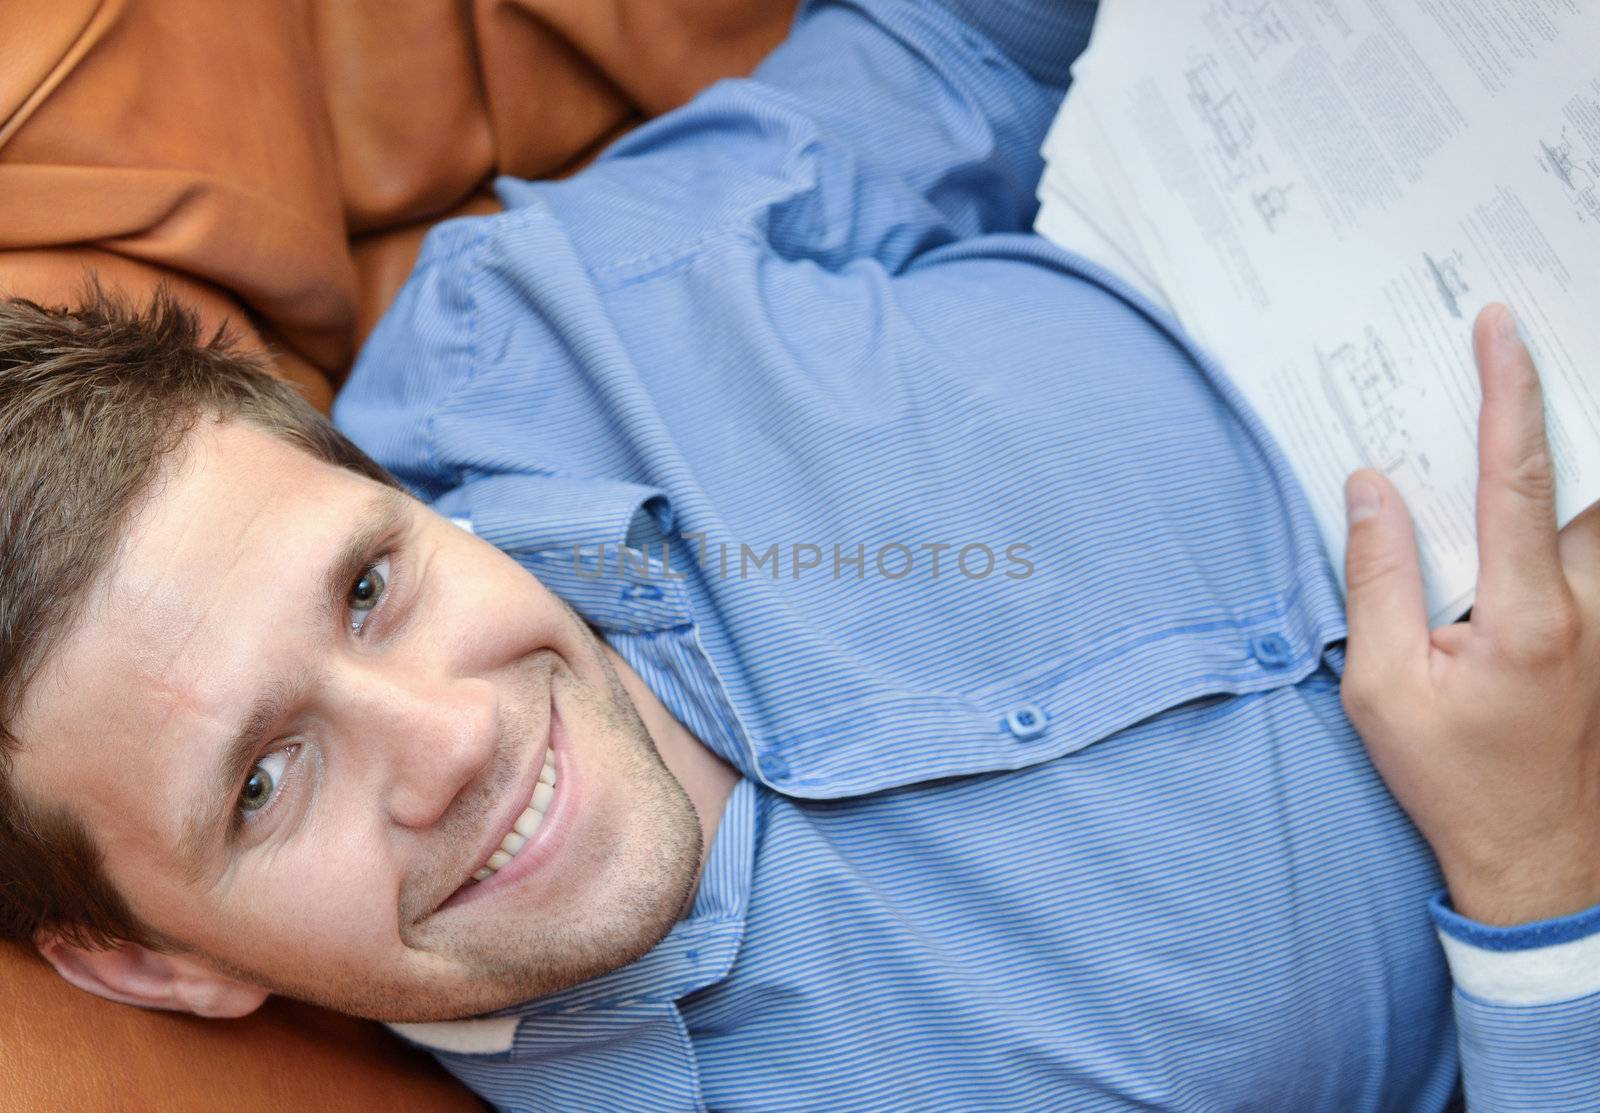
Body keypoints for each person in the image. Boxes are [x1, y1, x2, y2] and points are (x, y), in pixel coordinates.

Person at [3, 0, 1597, 1109]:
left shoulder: (528, 329)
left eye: (369, 585)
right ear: (148, 966)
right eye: (263, 784)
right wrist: (1537, 873)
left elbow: (957, 46)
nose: (450, 737)